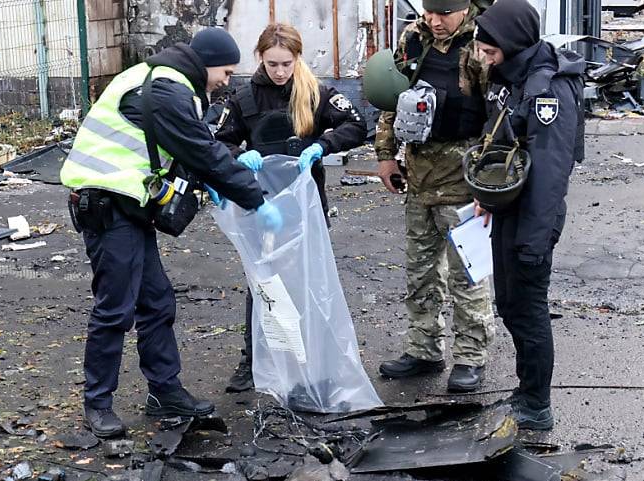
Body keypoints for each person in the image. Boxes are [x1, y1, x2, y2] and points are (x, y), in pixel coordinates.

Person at [61, 28, 284, 438]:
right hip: (107, 205)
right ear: (207, 64)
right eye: (226, 72)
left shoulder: (165, 79)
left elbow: (176, 148)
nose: (226, 81)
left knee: (156, 302)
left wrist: (210, 180)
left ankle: (165, 392)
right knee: (115, 309)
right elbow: (201, 150)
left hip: (128, 205)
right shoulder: (168, 89)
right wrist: (255, 200)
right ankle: (97, 403)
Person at [214, 22, 367, 393]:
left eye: (286, 63)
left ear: (298, 58)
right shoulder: (244, 98)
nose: (280, 72)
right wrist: (239, 155)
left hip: (305, 204)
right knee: (263, 284)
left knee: (310, 282)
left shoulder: (315, 93)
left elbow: (357, 124)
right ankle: (254, 359)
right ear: (260, 59)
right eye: (272, 64)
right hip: (264, 205)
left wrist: (323, 145)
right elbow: (217, 141)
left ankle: (314, 360)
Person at [371, 0, 495, 392]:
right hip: (419, 175)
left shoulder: (482, 45)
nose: (434, 21)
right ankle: (423, 348)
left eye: (443, 14)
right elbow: (393, 99)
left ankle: (470, 356)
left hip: (464, 179)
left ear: (464, 8)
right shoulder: (413, 38)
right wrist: (386, 156)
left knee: (467, 273)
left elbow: (498, 117)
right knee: (421, 270)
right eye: (429, 13)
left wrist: (489, 184)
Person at [472, 0, 586, 430]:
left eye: (489, 49)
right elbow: (499, 137)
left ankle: (537, 404)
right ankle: (526, 391)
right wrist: (489, 194)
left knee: (528, 307)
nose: (484, 56)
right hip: (510, 209)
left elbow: (551, 173)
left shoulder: (547, 90)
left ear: (512, 41)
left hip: (534, 217)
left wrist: (534, 242)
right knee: (509, 304)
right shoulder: (510, 75)